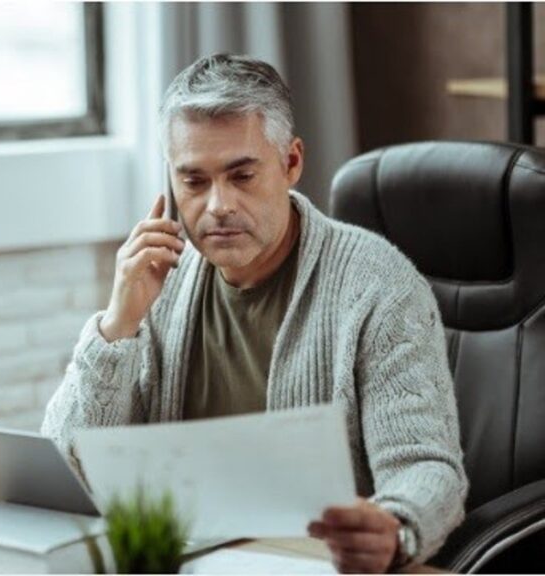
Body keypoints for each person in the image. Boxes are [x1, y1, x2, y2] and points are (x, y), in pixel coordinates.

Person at [42, 53, 468, 573]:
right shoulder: (157, 281)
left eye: (241, 176)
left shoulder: (378, 284)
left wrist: (396, 527)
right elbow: (66, 468)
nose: (217, 205)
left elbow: (426, 467)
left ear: (291, 163)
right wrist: (117, 325)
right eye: (194, 182)